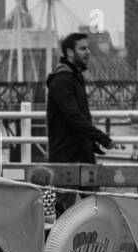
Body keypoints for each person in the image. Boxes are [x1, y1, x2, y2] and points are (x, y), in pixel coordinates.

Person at [46, 33, 112, 164]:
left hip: (81, 153)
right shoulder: (62, 80)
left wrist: (91, 142)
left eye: (88, 48)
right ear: (70, 52)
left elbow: (81, 115)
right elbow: (73, 116)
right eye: (82, 49)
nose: (88, 52)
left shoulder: (74, 78)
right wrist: (101, 138)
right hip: (68, 157)